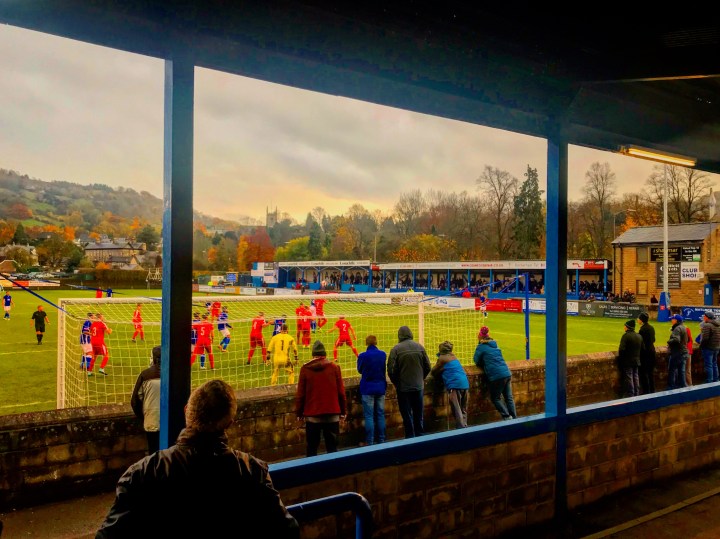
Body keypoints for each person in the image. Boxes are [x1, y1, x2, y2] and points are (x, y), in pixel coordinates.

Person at [97, 379, 300, 538]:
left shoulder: (142, 473)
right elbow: (287, 530)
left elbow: (109, 535)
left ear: (186, 411)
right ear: (230, 423)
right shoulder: (252, 471)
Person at [295, 340, 347, 457]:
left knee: (312, 448)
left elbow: (300, 395)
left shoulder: (305, 369)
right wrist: (343, 412)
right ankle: (333, 473)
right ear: (325, 355)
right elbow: (341, 393)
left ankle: (312, 473)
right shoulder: (334, 367)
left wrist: (299, 415)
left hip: (313, 415)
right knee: (332, 448)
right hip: (332, 413)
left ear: (313, 355)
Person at [387, 326, 431, 438]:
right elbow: (428, 367)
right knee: (418, 414)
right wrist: (420, 378)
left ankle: (410, 439)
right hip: (418, 387)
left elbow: (391, 370)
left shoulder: (395, 349)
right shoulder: (419, 347)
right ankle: (420, 438)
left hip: (403, 389)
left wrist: (397, 383)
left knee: (407, 416)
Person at [473, 326, 517, 420]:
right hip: (507, 373)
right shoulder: (495, 345)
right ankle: (514, 418)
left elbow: (476, 361)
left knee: (496, 398)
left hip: (496, 376)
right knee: (509, 397)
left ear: (480, 337)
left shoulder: (481, 347)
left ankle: (507, 417)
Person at [431, 341, 470, 429]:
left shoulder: (442, 358)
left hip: (455, 386)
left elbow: (433, 372)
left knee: (457, 410)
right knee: (463, 409)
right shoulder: (454, 357)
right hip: (465, 384)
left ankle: (461, 431)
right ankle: (465, 428)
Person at [357, 335, 387, 445]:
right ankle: (381, 439)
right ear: (376, 342)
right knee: (380, 414)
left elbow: (360, 370)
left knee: (369, 416)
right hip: (380, 387)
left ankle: (370, 442)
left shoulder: (363, 356)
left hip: (368, 388)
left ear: (366, 343)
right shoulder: (382, 354)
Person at [130, 345, 161, 454]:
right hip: (171, 421)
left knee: (154, 453)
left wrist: (143, 416)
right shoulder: (174, 373)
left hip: (151, 420)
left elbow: (134, 401)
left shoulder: (145, 375)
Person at [617, 319, 644, 398]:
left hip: (628, 360)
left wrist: (621, 359)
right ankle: (637, 392)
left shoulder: (626, 336)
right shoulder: (639, 336)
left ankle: (631, 394)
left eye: (625, 326)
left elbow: (621, 349)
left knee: (629, 377)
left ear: (627, 327)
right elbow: (643, 348)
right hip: (637, 360)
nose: (624, 327)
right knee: (635, 376)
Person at [667, 314, 689, 389]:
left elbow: (676, 340)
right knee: (681, 371)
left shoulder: (677, 328)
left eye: (672, 319)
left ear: (675, 320)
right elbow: (687, 339)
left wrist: (669, 341)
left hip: (677, 352)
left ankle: (671, 387)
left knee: (672, 370)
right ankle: (683, 386)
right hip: (684, 352)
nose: (671, 320)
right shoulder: (683, 327)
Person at [698, 311, 720, 383]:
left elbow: (705, 338)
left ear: (707, 317)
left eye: (704, 316)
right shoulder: (717, 325)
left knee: (709, 365)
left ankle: (709, 381)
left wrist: (701, 346)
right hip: (716, 347)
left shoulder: (707, 325)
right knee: (714, 364)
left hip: (709, 348)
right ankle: (716, 379)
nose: (703, 317)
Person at [637, 312, 656, 394]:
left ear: (641, 320)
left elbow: (640, 342)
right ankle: (652, 390)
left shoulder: (643, 329)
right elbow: (654, 340)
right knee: (650, 373)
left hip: (645, 354)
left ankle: (646, 391)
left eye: (638, 318)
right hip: (652, 352)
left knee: (644, 373)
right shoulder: (651, 328)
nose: (637, 320)